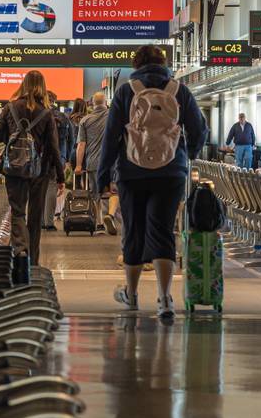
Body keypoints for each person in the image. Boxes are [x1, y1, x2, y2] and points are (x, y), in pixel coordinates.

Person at [98, 44, 208, 323]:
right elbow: (199, 129)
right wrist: (187, 156)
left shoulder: (126, 91)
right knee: (161, 231)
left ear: (136, 64)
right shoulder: (179, 91)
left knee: (133, 231)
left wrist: (102, 177)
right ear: (163, 63)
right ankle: (164, 298)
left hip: (131, 173)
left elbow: (111, 137)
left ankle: (132, 295)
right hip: (170, 173)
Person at [0, 72, 64, 285]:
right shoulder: (47, 113)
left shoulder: (10, 107)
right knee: (35, 216)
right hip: (40, 171)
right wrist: (60, 176)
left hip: (14, 169)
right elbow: (54, 147)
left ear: (23, 85)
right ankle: (33, 263)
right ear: (42, 86)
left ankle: (20, 253)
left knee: (18, 212)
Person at [74, 89, 115, 235]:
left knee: (95, 194)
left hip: (93, 163)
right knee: (113, 192)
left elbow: (81, 145)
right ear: (106, 103)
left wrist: (78, 165)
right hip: (113, 162)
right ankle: (110, 215)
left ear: (91, 103)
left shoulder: (85, 120)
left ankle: (98, 224)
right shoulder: (113, 117)